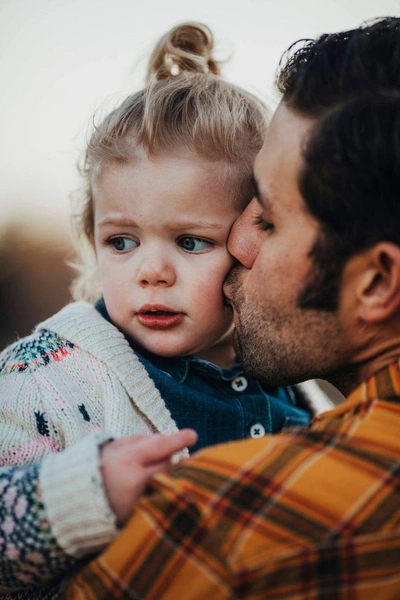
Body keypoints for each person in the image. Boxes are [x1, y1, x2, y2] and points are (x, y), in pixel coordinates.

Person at [65, 16, 400, 599]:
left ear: (376, 283)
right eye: (122, 240)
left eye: (267, 217)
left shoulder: (215, 533)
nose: (237, 245)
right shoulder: (60, 378)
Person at [0, 22, 317, 597]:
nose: (151, 271)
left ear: (254, 239)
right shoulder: (48, 373)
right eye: (122, 242)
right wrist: (82, 492)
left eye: (190, 242)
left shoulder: (285, 384)